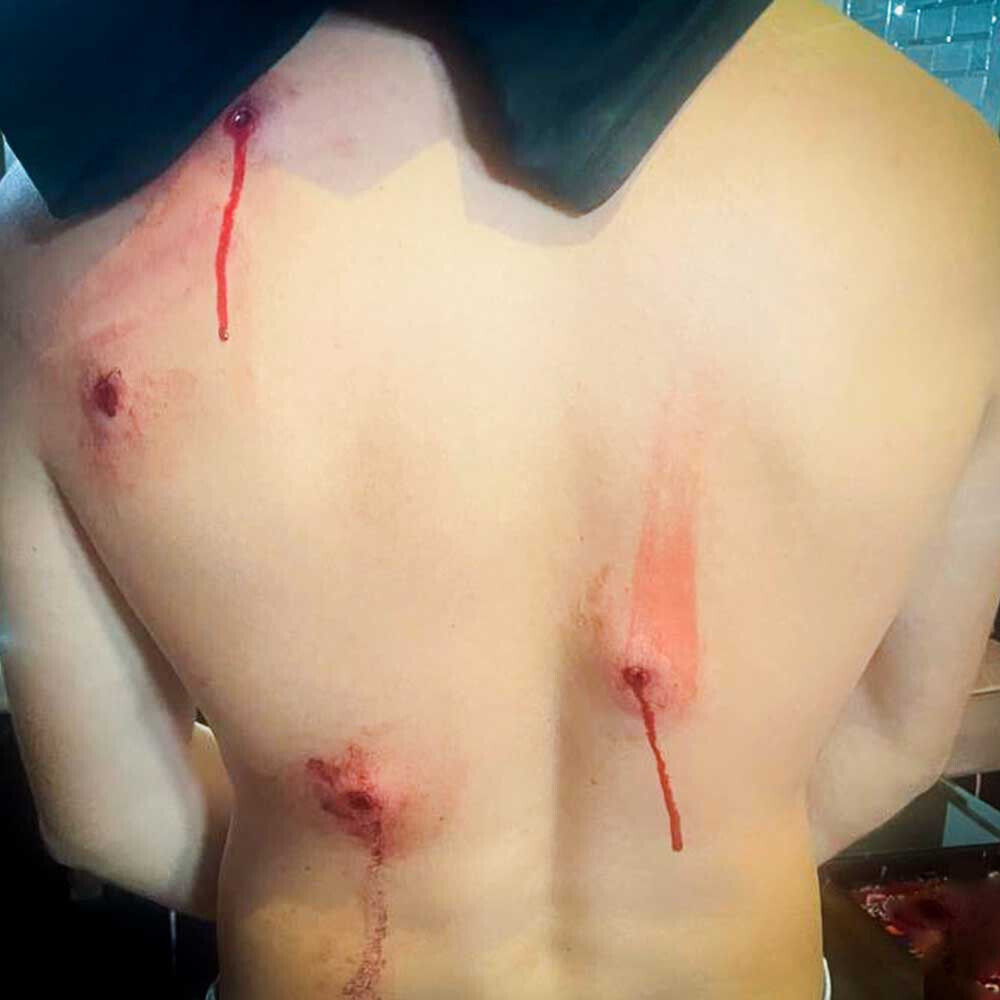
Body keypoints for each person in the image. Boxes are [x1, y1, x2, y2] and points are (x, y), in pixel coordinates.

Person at [1, 1, 998, 997]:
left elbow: (109, 815)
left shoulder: (52, 234)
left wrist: (327, 870)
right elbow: (897, 733)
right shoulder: (955, 178)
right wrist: (689, 873)